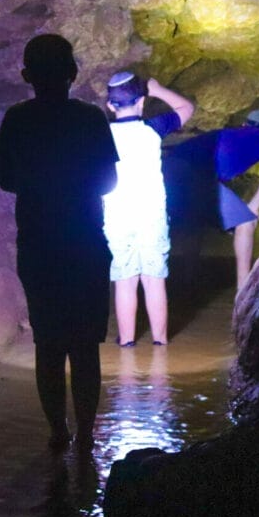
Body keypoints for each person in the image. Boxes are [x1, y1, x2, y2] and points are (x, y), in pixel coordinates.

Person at [0, 34, 119, 452]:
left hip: (39, 244)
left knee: (48, 344)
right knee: (85, 345)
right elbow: (109, 181)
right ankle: (85, 435)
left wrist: (42, 182)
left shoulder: (17, 119)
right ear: (73, 73)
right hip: (84, 241)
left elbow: (6, 180)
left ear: (27, 75)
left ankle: (58, 434)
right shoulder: (89, 119)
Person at [102, 72, 194, 346]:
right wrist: (157, 89)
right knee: (154, 280)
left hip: (117, 215)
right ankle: (160, 342)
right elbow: (186, 108)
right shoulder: (153, 128)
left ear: (110, 106)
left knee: (125, 281)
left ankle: (127, 341)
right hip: (151, 215)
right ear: (142, 102)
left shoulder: (102, 135)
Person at [164, 109, 259, 291]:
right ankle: (243, 289)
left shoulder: (225, 133)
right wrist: (254, 205)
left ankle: (187, 278)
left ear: (245, 124)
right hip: (195, 174)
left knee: (193, 220)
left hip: (166, 170)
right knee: (246, 222)